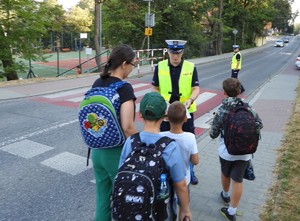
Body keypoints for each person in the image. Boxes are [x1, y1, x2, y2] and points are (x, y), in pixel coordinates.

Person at [119, 92, 192, 221]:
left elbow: (120, 171)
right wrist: (185, 210)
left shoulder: (130, 141)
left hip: (129, 210)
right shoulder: (169, 146)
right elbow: (180, 185)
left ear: (140, 114)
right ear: (165, 117)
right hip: (159, 212)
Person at [91, 44, 137, 221]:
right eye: (132, 65)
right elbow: (127, 126)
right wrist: (140, 147)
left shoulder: (97, 82)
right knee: (124, 200)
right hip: (116, 153)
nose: (131, 70)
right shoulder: (124, 88)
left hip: (97, 151)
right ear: (124, 64)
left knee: (102, 200)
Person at [209, 78, 263, 221]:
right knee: (238, 180)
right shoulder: (248, 107)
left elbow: (213, 134)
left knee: (225, 174)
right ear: (239, 92)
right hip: (245, 152)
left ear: (224, 92)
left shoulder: (222, 110)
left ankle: (225, 195)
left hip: (226, 152)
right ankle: (232, 211)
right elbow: (259, 124)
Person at [151, 39, 200, 185]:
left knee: (188, 142)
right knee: (164, 141)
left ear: (182, 52)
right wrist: (161, 100)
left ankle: (190, 172)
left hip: (185, 112)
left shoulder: (191, 67)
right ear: (168, 52)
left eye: (178, 53)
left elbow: (196, 88)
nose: (175, 56)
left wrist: (190, 99)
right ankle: (164, 170)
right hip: (166, 112)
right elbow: (154, 87)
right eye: (172, 53)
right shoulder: (160, 66)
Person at [160, 101, 199, 219]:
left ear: (166, 118)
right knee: (183, 205)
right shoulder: (190, 137)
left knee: (168, 205)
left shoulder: (161, 136)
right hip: (184, 178)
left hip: (166, 179)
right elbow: (195, 160)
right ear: (185, 119)